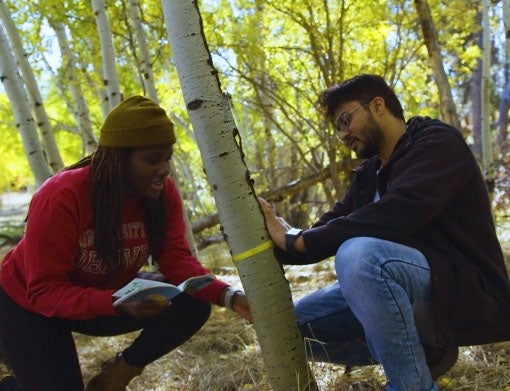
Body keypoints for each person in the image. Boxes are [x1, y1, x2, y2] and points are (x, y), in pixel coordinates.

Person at [258, 74, 510, 391]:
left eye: (346, 120)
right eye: (338, 127)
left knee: (360, 255)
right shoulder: (371, 173)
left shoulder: (437, 143)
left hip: (460, 290)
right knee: (286, 327)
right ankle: (423, 354)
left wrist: (298, 239)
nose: (342, 134)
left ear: (378, 106)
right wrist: (276, 235)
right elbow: (332, 224)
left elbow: (397, 213)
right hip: (404, 292)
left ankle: (411, 385)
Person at [0, 96, 251, 391]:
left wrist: (230, 297)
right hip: (27, 304)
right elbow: (45, 291)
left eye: (167, 157)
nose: (164, 169)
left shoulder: (161, 193)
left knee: (192, 303)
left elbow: (175, 260)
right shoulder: (61, 197)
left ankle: (118, 373)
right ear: (118, 158)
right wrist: (113, 303)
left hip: (104, 296)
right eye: (152, 159)